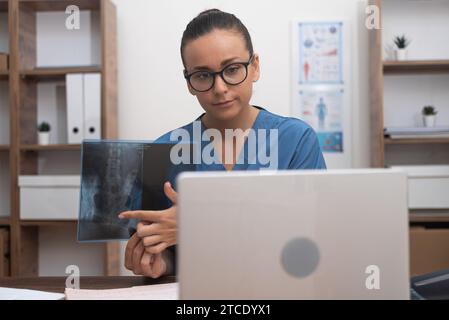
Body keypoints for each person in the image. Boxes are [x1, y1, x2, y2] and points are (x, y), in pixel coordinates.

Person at [118, 9, 326, 278]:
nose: (219, 87)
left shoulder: (296, 140)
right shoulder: (163, 152)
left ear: (255, 67)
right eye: (203, 75)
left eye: (232, 69)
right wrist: (160, 264)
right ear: (189, 83)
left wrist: (196, 223)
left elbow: (309, 240)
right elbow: (165, 251)